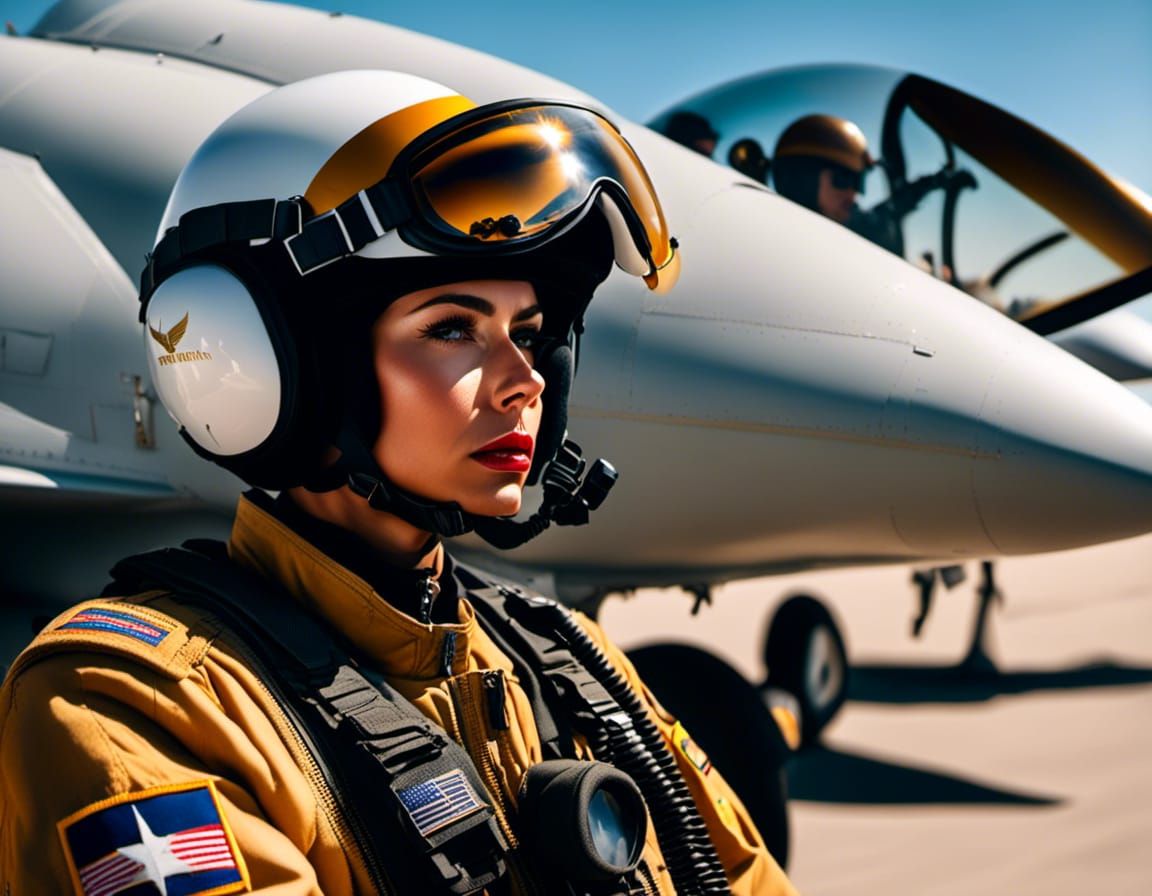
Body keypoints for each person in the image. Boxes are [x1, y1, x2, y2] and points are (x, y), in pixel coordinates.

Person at [0, 71, 797, 896]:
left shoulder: (568, 663)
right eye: (454, 329)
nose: (525, 381)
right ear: (285, 364)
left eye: (528, 332)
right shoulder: (135, 709)